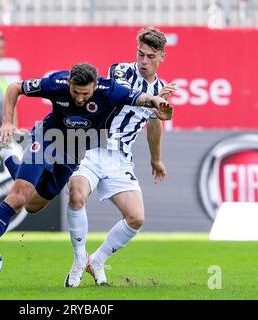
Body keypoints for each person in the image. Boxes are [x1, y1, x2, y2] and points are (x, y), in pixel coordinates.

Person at [0, 62, 173, 281]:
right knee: (18, 196)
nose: (80, 98)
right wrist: (7, 123)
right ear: (69, 84)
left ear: (95, 86)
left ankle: (6, 153)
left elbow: (140, 98)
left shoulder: (109, 90)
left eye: (85, 93)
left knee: (32, 205)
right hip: (46, 141)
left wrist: (156, 101)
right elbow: (14, 87)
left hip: (73, 153)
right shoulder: (56, 83)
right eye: (75, 92)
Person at [64, 27, 177, 287]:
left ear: (162, 57)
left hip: (120, 158)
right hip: (93, 147)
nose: (143, 61)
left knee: (136, 218)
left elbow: (154, 123)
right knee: (77, 193)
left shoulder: (160, 89)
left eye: (150, 56)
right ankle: (80, 259)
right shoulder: (120, 71)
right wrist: (154, 101)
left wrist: (156, 159)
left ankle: (97, 260)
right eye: (140, 54)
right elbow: (126, 96)